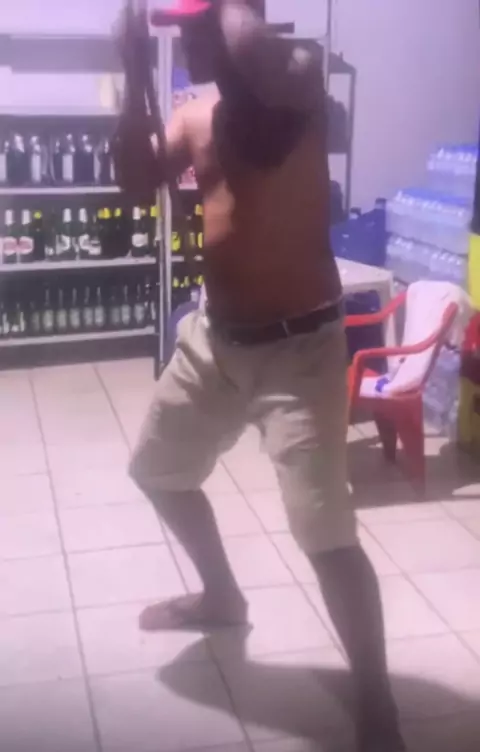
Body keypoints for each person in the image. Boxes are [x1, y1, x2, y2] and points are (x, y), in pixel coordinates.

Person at [122, 1, 405, 749]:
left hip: (301, 350)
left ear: (238, 19)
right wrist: (131, 72)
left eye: (200, 26)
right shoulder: (193, 115)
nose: (189, 41)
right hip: (214, 341)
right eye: (183, 29)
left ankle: (377, 703)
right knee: (158, 472)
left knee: (325, 532)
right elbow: (135, 183)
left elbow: (264, 60)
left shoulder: (298, 86)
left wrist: (229, 10)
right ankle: (221, 596)